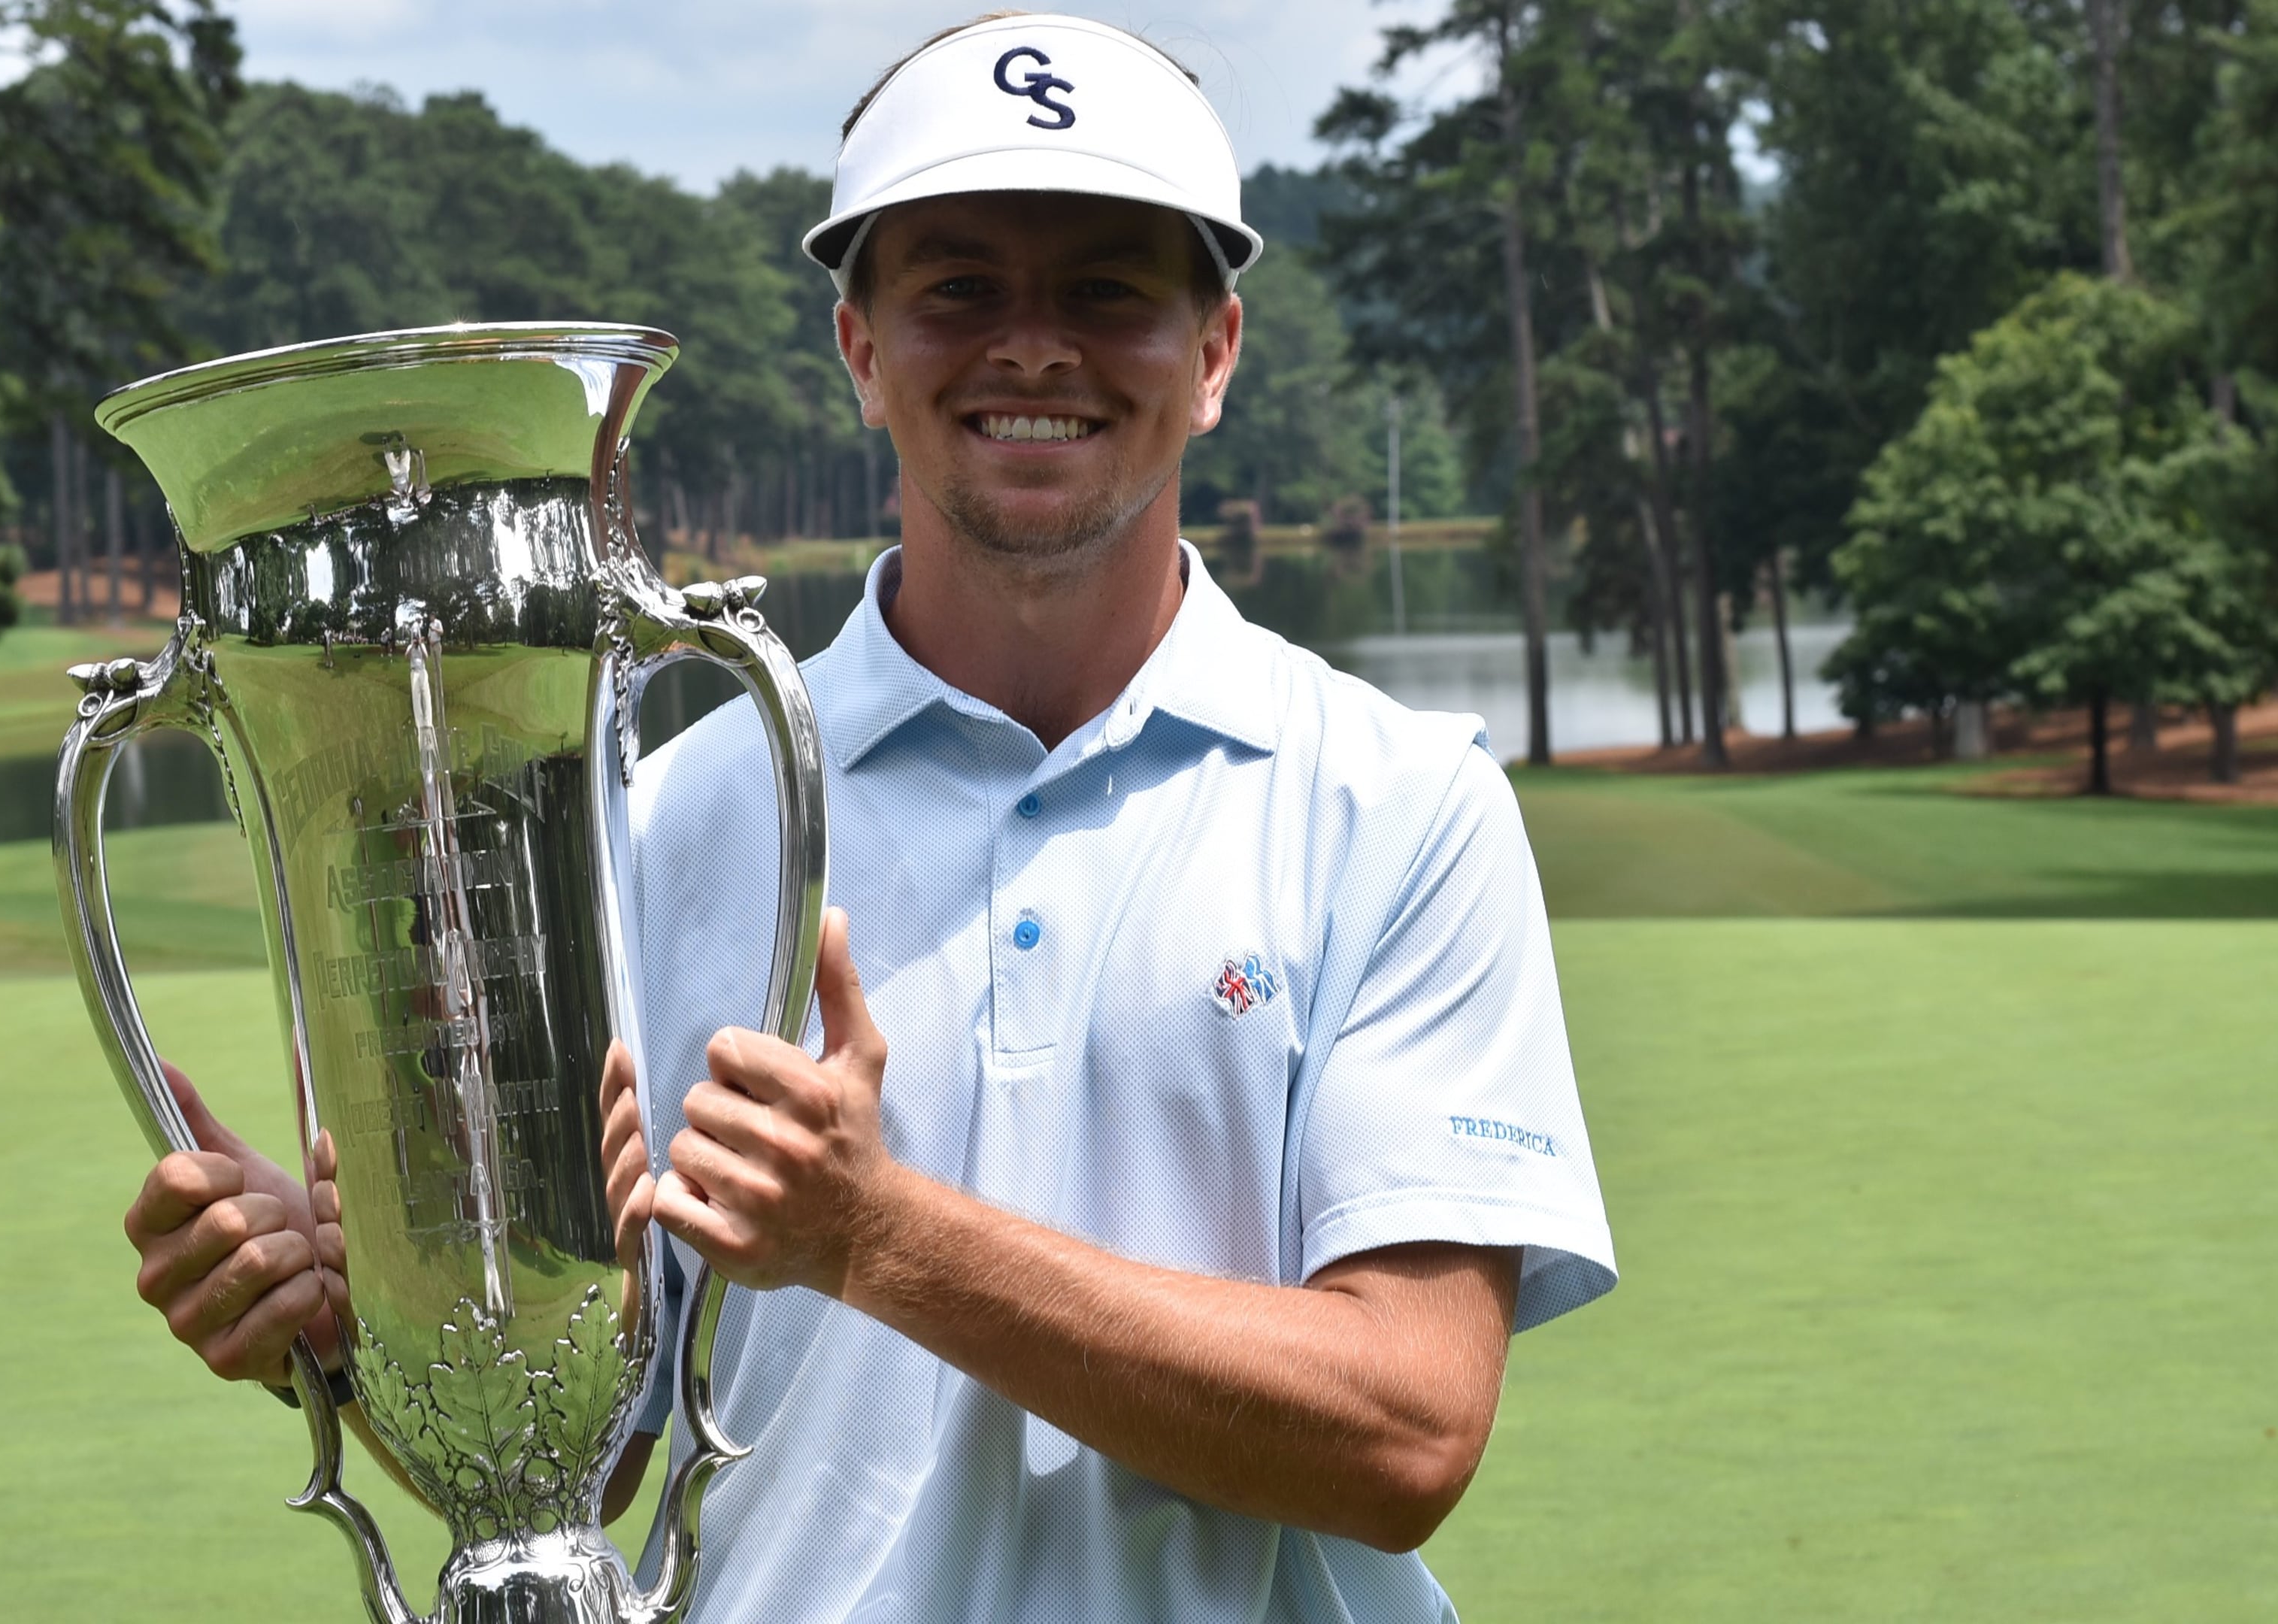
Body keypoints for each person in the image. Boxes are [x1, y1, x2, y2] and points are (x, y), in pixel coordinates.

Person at [120, 14, 1615, 1620]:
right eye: (959, 285)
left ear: (1217, 353)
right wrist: (365, 1331)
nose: (1031, 346)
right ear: (861, 350)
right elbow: (599, 1455)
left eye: (1108, 287)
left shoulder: (1399, 804)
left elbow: (1406, 1433)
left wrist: (880, 1238)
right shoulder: (666, 816)